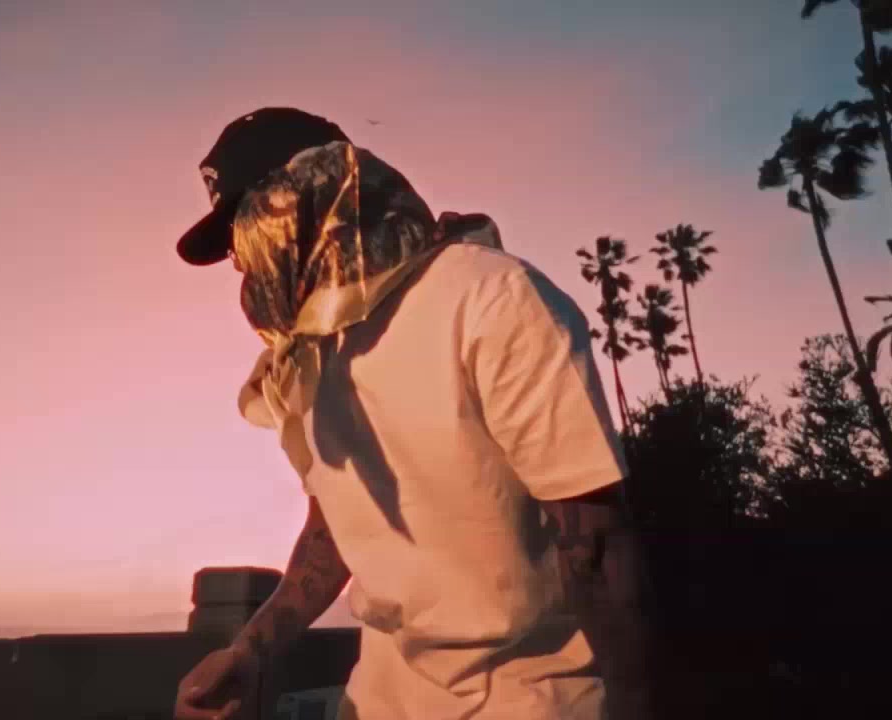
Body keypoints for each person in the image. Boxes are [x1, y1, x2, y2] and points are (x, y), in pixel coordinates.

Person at [172, 107, 652, 720]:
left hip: (531, 702)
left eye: (247, 222)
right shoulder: (307, 359)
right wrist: (249, 651)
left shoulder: (491, 298)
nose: (241, 259)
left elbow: (597, 546)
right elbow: (332, 532)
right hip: (378, 701)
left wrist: (637, 704)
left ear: (319, 191)